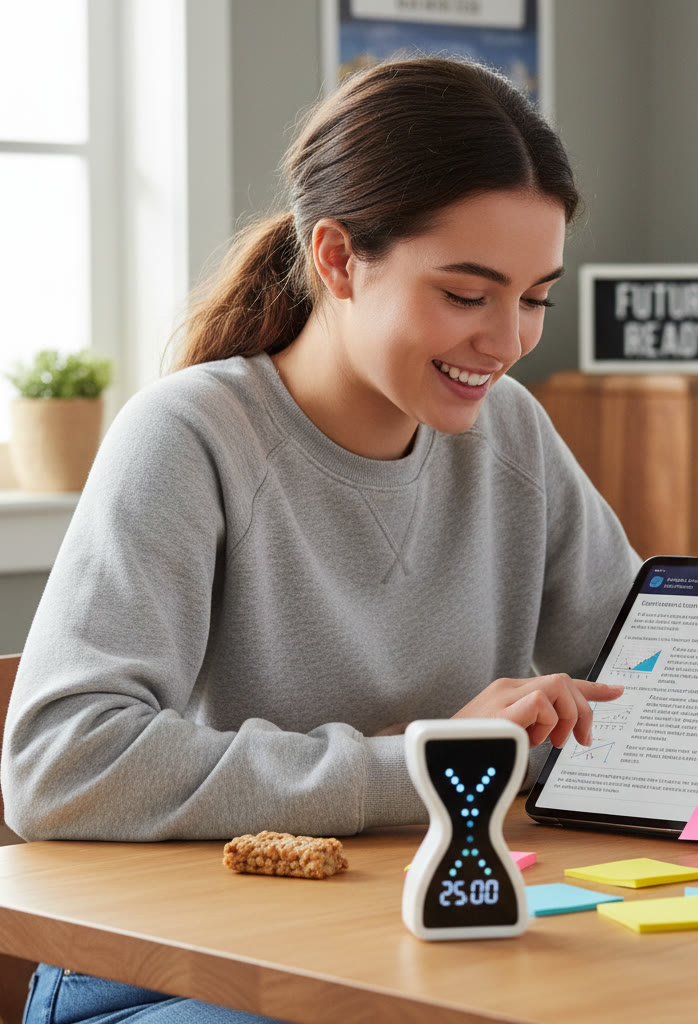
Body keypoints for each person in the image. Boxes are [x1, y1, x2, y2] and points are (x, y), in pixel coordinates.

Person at [2, 57, 639, 1021]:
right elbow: (61, 767)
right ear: (338, 258)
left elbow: (645, 685)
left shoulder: (512, 432)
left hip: (413, 946)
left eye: (536, 296)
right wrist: (429, 762)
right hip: (178, 972)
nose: (507, 342)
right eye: (467, 295)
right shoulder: (189, 437)